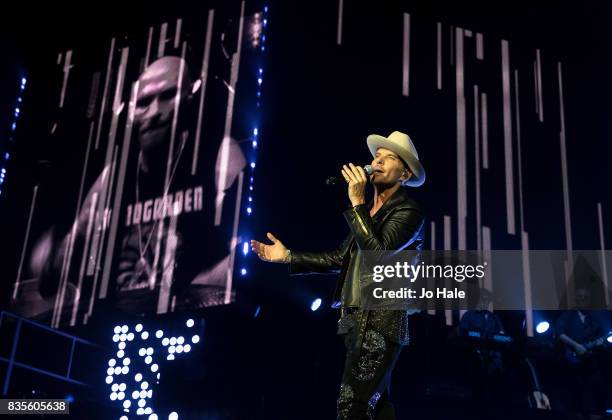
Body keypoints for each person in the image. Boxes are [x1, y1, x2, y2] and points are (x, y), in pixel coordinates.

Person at [20, 56, 245, 322]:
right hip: (119, 325)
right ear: (131, 111)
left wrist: (205, 285)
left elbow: (249, 246)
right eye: (144, 103)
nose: (154, 113)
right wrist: (50, 259)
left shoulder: (219, 156)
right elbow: (68, 253)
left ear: (188, 96)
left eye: (167, 96)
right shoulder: (114, 177)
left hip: (191, 322)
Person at [251, 131, 426, 419]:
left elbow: (378, 253)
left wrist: (356, 203)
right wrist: (289, 256)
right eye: (377, 156)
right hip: (357, 319)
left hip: (380, 320)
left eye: (389, 158)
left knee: (352, 407)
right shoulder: (371, 214)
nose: (378, 161)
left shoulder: (409, 210)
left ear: (404, 173)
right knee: (376, 409)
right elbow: (339, 258)